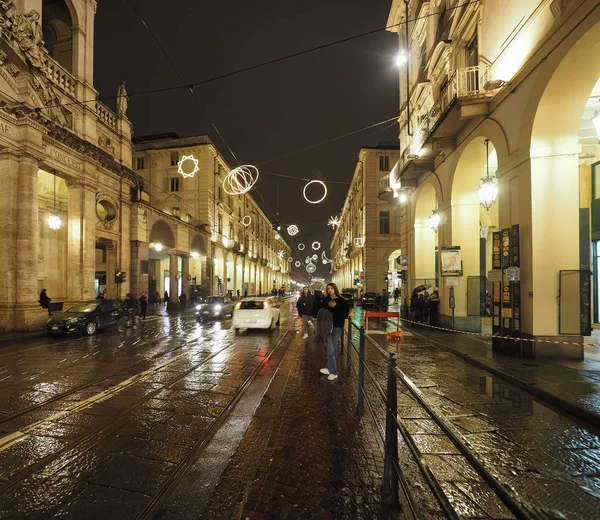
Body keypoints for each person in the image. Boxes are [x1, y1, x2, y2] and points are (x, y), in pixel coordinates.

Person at [319, 283, 349, 381]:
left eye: (331, 288)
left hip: (337, 326)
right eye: (328, 289)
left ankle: (332, 371)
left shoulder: (342, 301)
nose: (330, 290)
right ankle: (332, 370)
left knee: (333, 349)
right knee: (331, 349)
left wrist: (335, 307)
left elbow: (344, 315)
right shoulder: (326, 300)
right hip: (327, 327)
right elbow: (322, 310)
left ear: (335, 289)